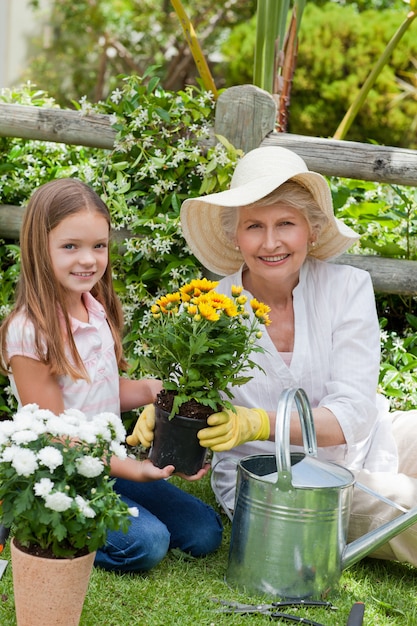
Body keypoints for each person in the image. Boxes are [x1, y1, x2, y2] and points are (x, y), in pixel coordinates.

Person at [130, 145, 417, 566]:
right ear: (234, 235)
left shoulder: (347, 288)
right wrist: (166, 413)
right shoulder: (211, 306)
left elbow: (353, 415)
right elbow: (184, 394)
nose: (270, 242)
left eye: (286, 223)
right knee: (404, 501)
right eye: (253, 226)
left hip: (367, 438)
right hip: (273, 482)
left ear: (312, 229)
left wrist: (258, 421)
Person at [0, 178, 223, 573]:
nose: (88, 260)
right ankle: (34, 525)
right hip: (65, 476)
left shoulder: (95, 308)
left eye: (98, 246)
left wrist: (156, 391)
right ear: (39, 247)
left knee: (205, 532)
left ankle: (121, 509)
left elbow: (99, 392)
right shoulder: (29, 330)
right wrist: (135, 468)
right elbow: (58, 435)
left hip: (107, 464)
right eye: (70, 247)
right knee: (149, 544)